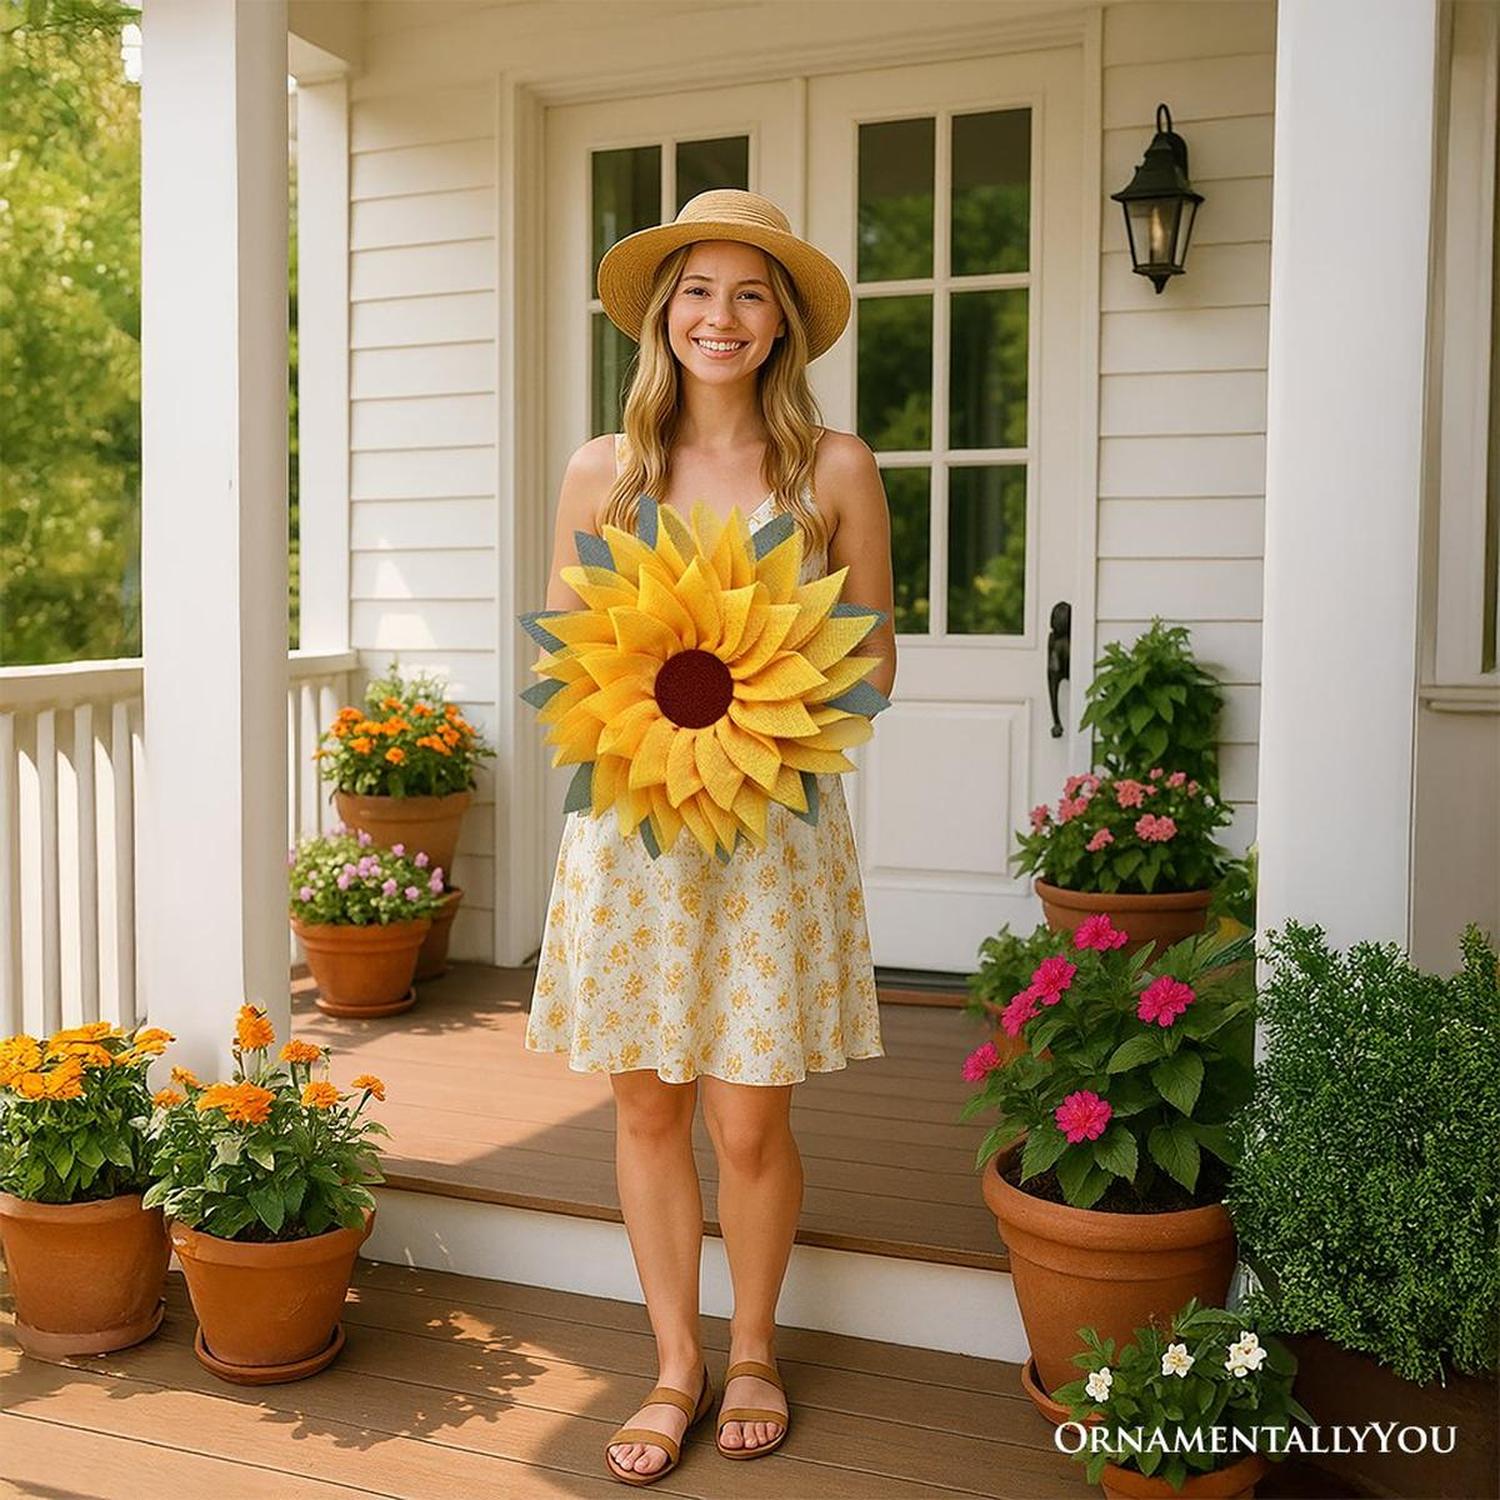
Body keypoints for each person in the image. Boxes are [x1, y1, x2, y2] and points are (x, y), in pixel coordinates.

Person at [524, 188, 897, 1486]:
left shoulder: (832, 469)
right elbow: (573, 657)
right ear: (662, 316)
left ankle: (754, 1355)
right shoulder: (604, 472)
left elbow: (878, 662)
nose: (719, 317)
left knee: (745, 1122)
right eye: (697, 291)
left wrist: (761, 714)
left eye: (749, 294)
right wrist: (660, 739)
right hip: (631, 833)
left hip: (772, 833)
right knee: (646, 1107)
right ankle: (675, 1364)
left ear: (781, 321)